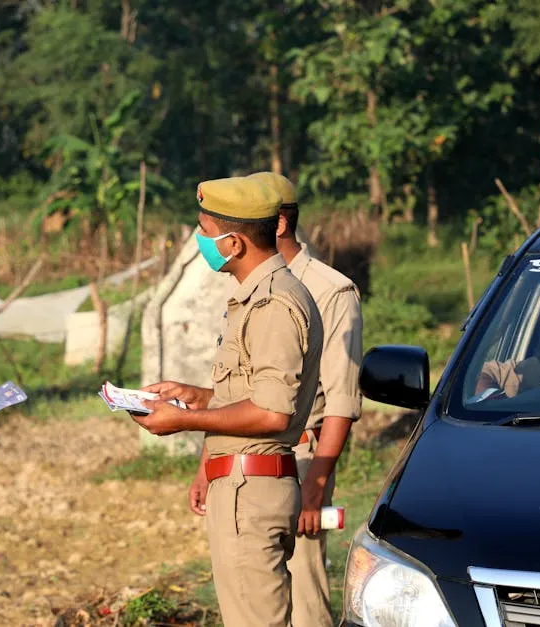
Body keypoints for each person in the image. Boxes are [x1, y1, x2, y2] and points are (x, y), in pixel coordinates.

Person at [133, 177, 323, 626]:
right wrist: (193, 396)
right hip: (241, 485)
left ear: (234, 242)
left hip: (251, 491)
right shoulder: (256, 296)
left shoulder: (274, 303)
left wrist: (184, 421)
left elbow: (273, 412)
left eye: (204, 230)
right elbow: (251, 394)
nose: (200, 241)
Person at [248, 172, 363, 627]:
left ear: (277, 224)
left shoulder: (330, 291)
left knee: (305, 590)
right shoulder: (248, 287)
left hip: (298, 459)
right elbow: (234, 388)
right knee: (255, 591)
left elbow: (340, 398)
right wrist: (205, 464)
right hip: (245, 460)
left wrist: (315, 486)